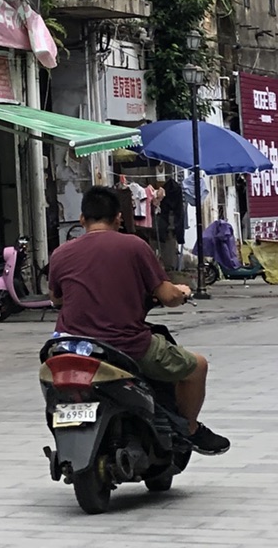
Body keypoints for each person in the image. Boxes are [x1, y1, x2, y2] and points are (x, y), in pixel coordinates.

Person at [48, 184, 229, 455]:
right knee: (197, 367)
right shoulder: (134, 246)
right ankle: (190, 429)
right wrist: (182, 292)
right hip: (126, 347)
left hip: (69, 346)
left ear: (82, 219)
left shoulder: (60, 253)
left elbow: (56, 299)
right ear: (119, 218)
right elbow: (167, 296)